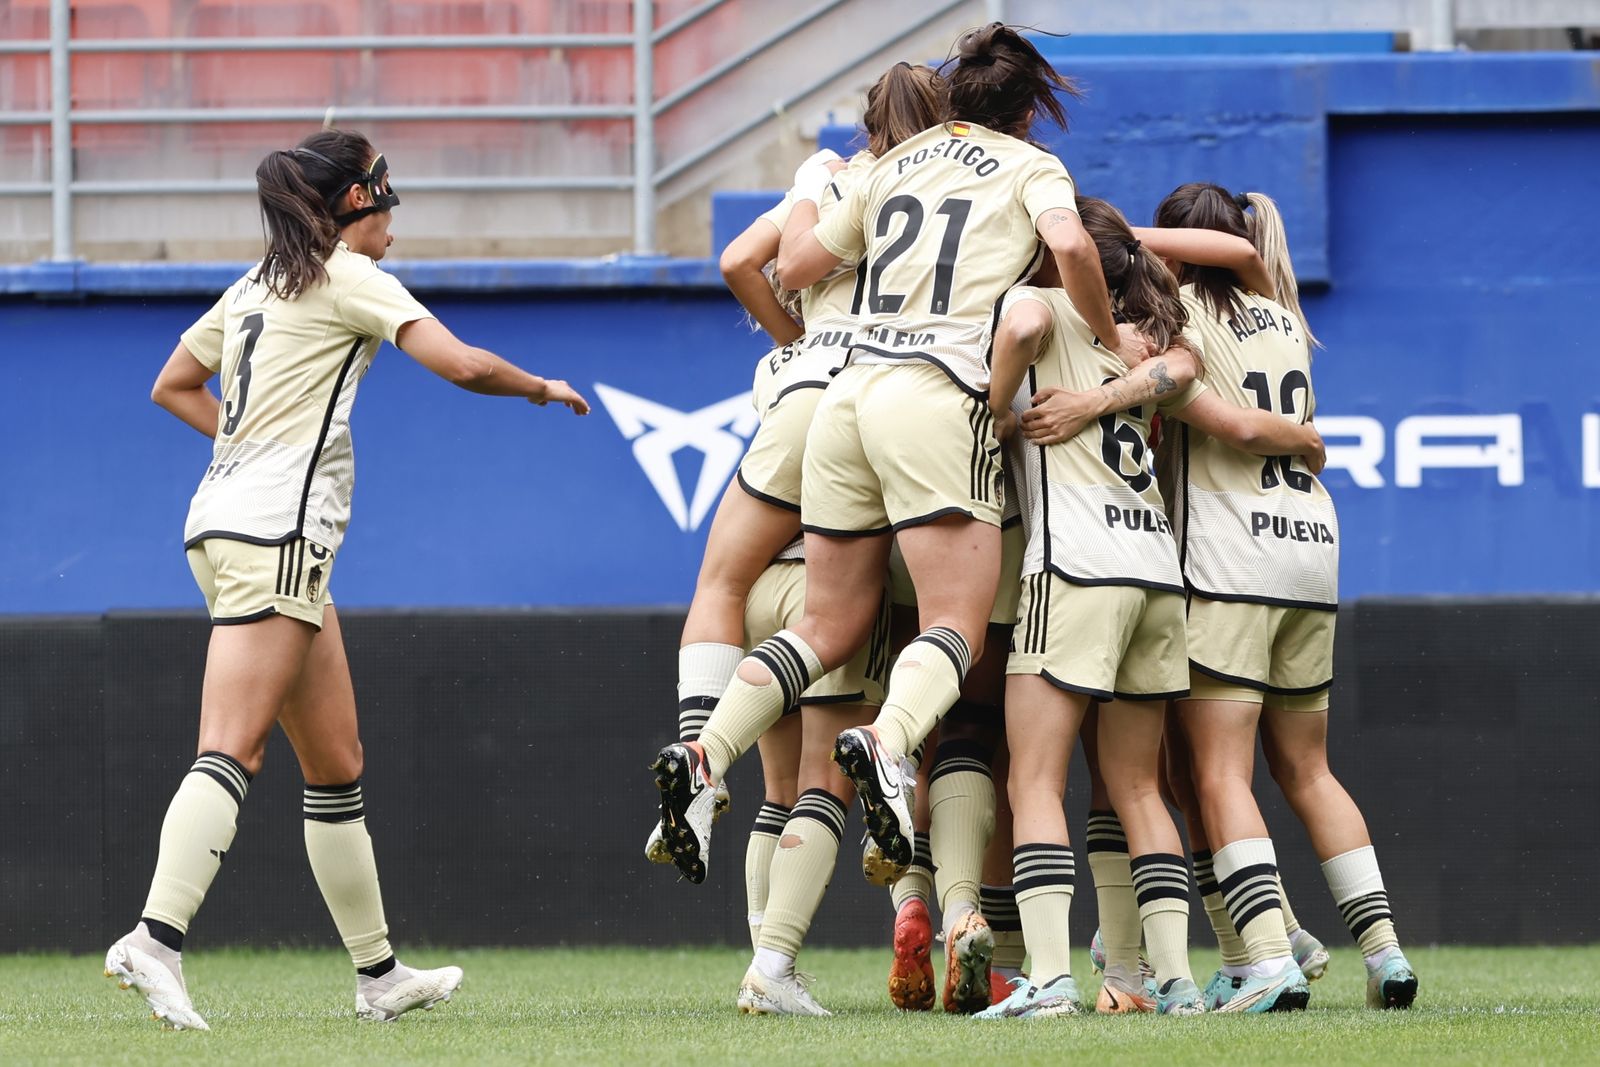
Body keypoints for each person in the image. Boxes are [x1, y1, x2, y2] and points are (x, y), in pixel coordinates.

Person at [654, 27, 1135, 946]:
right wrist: (1105, 333)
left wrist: (813, 189)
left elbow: (790, 270)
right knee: (953, 625)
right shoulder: (1033, 170)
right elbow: (1072, 246)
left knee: (824, 627)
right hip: (936, 401)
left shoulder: (894, 163)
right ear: (1030, 110)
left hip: (846, 399)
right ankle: (887, 743)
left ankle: (705, 751)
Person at [105, 129, 588, 1031]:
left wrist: (247, 451)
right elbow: (462, 363)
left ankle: (379, 975)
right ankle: (153, 939)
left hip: (229, 526)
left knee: (336, 766)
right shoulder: (347, 276)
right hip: (275, 532)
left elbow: (175, 383)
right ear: (353, 203)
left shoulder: (256, 284)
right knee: (232, 748)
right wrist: (536, 385)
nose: (394, 207)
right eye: (383, 190)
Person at [975, 197, 1325, 1021]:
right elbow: (1182, 375)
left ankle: (1052, 980)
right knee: (1139, 787)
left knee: (1031, 778)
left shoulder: (1043, 301)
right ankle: (1166, 979)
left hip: (1076, 568)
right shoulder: (1152, 339)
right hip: (1157, 571)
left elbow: (1023, 330)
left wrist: (998, 404)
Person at [1144, 183, 1418, 1011]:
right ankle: (1386, 955)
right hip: (1311, 550)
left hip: (1230, 557)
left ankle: (1268, 958)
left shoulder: (1177, 319)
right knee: (1307, 767)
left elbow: (1222, 422)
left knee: (1216, 770)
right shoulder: (1280, 310)